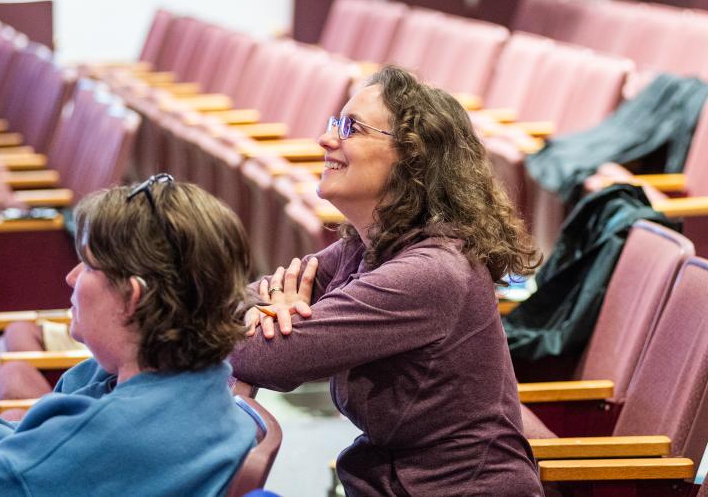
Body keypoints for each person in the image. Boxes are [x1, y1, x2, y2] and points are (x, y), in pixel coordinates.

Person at [231, 66, 544, 496]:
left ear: (412, 158)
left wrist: (272, 321)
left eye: (350, 128)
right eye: (333, 124)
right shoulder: (366, 247)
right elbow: (243, 300)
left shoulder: (428, 273)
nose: (326, 140)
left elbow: (263, 359)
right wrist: (266, 311)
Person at [0, 176, 257, 497]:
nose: (71, 277)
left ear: (133, 298)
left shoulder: (106, 435)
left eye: (89, 266)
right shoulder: (206, 384)